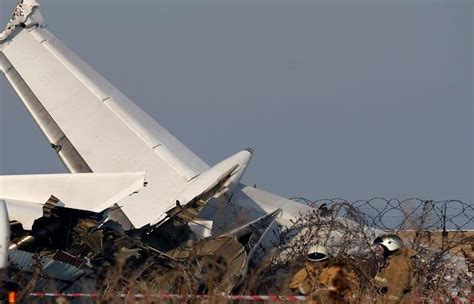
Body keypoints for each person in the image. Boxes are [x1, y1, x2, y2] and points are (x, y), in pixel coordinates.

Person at [289, 244, 359, 303]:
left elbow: (354, 285)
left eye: (320, 261)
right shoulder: (306, 271)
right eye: (314, 262)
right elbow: (293, 288)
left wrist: (347, 293)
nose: (317, 264)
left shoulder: (337, 269)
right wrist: (303, 288)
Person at [372, 234, 417, 304]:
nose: (379, 250)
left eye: (381, 247)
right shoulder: (392, 260)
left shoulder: (399, 262)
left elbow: (397, 290)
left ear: (390, 246)